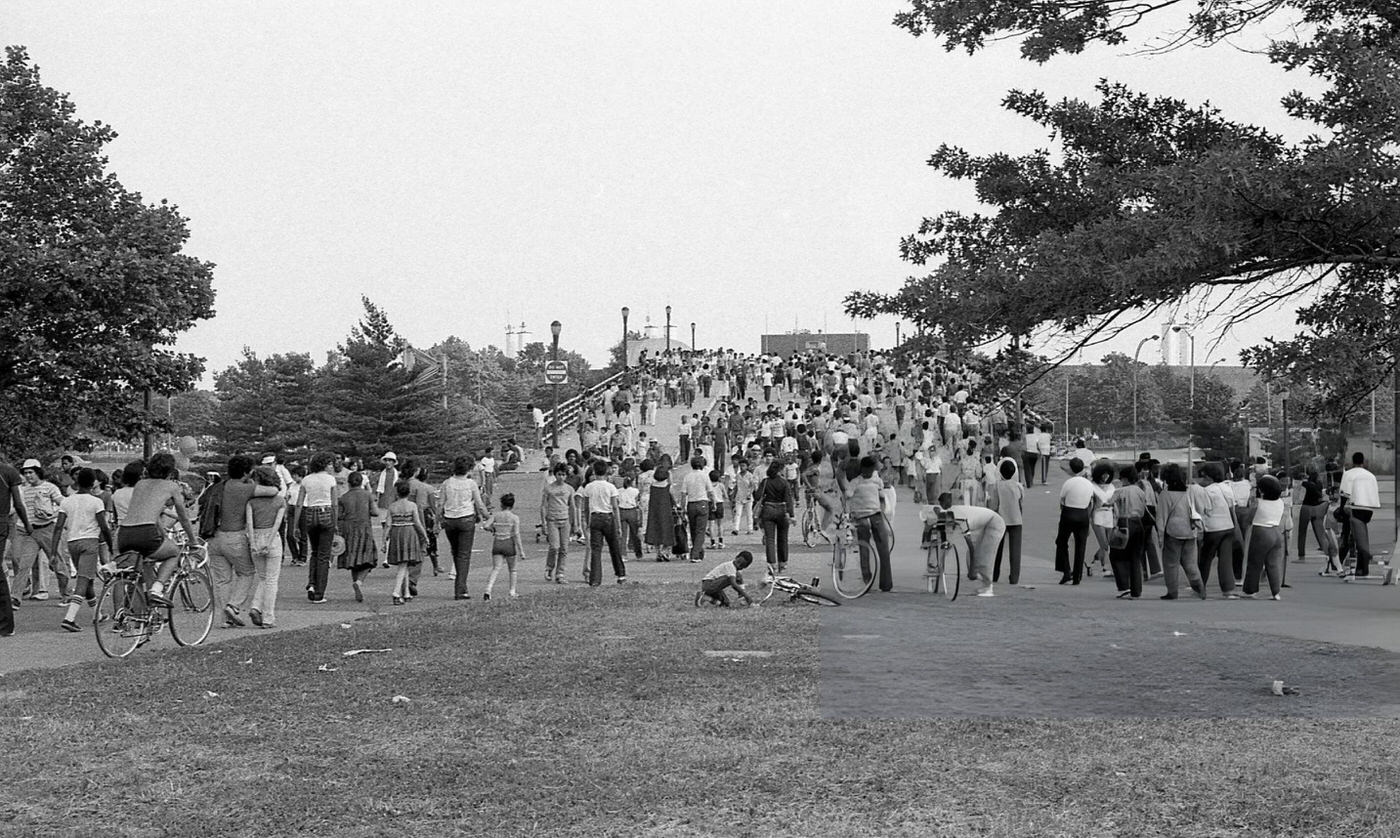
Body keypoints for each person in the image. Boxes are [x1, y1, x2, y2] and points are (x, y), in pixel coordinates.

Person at [117, 452, 198, 605]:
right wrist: (193, 541)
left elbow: (151, 513)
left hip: (124, 533)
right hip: (146, 533)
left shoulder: (140, 484)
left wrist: (164, 535)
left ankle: (145, 613)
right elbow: (183, 518)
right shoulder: (172, 486)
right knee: (174, 552)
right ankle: (157, 588)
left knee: (147, 560)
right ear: (170, 471)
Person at [52, 468, 112, 633]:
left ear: (77, 482)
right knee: (83, 580)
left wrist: (52, 551)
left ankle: (97, 614)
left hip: (73, 543)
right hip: (90, 543)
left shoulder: (67, 501)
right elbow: (103, 527)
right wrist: (110, 544)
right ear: (93, 483)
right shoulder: (96, 502)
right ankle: (69, 618)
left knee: (88, 580)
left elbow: (58, 527)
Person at [439, 456, 490, 598]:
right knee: (464, 555)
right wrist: (489, 518)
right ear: (468, 469)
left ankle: (460, 584)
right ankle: (460, 589)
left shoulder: (447, 483)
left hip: (450, 520)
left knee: (455, 552)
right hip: (466, 519)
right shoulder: (471, 484)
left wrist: (439, 519)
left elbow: (440, 504)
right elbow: (479, 505)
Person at [936, 492, 1005, 597]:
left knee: (985, 555)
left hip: (995, 523)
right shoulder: (951, 512)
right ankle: (980, 578)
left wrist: (972, 570)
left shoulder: (958, 516)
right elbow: (945, 531)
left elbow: (970, 545)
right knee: (973, 555)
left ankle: (988, 588)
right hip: (987, 523)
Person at [14, 460, 65, 601]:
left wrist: (53, 515)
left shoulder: (50, 487)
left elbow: (64, 504)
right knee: (24, 564)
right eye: (26, 473)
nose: (28, 476)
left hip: (48, 528)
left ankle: (66, 594)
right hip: (32, 531)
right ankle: (15, 596)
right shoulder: (24, 490)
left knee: (57, 563)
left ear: (38, 472)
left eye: (31, 472)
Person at [294, 452, 340, 605]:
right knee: (323, 555)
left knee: (314, 552)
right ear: (323, 464)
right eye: (329, 463)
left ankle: (312, 584)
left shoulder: (306, 479)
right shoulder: (330, 479)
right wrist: (335, 522)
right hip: (326, 513)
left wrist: (295, 525)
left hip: (310, 514)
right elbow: (334, 503)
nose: (332, 466)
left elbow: (299, 503)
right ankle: (319, 593)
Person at [1156, 463, 1207, 600]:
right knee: (1191, 564)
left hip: (1173, 532)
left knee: (1171, 564)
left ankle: (1172, 592)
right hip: (1190, 532)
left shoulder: (1165, 495)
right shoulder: (1188, 492)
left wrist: (1160, 537)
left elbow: (1161, 518)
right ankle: (1200, 589)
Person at [245, 465, 286, 628]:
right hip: (272, 538)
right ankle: (268, 616)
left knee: (262, 577)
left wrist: (253, 543)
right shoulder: (280, 501)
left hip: (255, 537)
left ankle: (256, 606)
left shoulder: (251, 501)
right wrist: (268, 542)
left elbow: (249, 523)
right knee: (271, 580)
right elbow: (278, 523)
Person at [846, 456, 894, 593]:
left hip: (873, 515)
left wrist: (883, 510)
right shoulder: (859, 481)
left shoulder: (872, 480)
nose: (870, 471)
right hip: (864, 517)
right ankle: (870, 580)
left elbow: (882, 498)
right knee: (868, 547)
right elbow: (848, 495)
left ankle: (882, 583)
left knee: (879, 549)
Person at [1197, 462, 1242, 598]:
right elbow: (1232, 508)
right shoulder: (1226, 488)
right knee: (1225, 559)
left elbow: (1202, 511)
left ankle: (1200, 587)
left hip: (1212, 528)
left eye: (1203, 478)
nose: (1201, 481)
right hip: (1228, 526)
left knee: (1205, 559)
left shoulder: (1206, 491)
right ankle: (1228, 589)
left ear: (1209, 477)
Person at [579, 460, 627, 586]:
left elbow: (586, 507)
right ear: (606, 471)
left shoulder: (589, 487)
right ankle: (620, 573)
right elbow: (615, 507)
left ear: (594, 471)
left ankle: (595, 579)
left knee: (596, 549)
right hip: (608, 517)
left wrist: (588, 522)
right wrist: (618, 525)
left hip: (595, 517)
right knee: (614, 546)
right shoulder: (610, 487)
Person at [1242, 473, 1287, 600]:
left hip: (1261, 532)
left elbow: (1249, 519)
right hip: (1276, 532)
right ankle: (1275, 592)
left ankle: (1250, 590)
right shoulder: (1280, 502)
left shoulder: (1258, 503)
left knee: (1255, 562)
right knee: (1273, 564)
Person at [1107, 464, 1149, 599]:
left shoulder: (1120, 491)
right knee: (1135, 558)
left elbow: (1108, 503)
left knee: (1116, 554)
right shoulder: (1141, 491)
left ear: (1124, 479)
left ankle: (1124, 585)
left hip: (1124, 522)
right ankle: (1136, 591)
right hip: (1139, 523)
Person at [336, 470, 378, 602]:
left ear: (349, 483)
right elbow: (375, 512)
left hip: (348, 529)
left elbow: (339, 516)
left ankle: (356, 585)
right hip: (363, 528)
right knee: (370, 558)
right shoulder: (367, 495)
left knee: (353, 560)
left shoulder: (343, 497)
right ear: (361, 482)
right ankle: (359, 582)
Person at [1337, 451, 1381, 578]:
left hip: (1354, 507)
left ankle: (1345, 563)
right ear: (1363, 461)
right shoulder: (1370, 475)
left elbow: (1344, 493)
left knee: (1351, 536)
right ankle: (1360, 566)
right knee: (1361, 534)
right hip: (1368, 509)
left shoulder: (1349, 474)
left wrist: (1341, 510)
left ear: (1352, 461)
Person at [0, 459, 31, 636]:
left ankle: (6, 624)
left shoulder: (8, 472)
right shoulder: (9, 471)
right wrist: (27, 524)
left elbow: (19, 504)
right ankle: (6, 624)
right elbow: (18, 503)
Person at [385, 482, 427, 606]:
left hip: (396, 533)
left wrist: (384, 540)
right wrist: (424, 536)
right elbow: (417, 523)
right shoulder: (412, 505)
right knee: (404, 564)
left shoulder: (392, 507)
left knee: (405, 563)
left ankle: (407, 593)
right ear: (408, 492)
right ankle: (396, 592)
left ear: (397, 492)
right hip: (410, 533)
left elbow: (388, 525)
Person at [1054, 457, 1094, 585]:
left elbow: (1062, 500)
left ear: (1071, 469)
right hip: (1083, 514)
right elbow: (1091, 502)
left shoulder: (1068, 483)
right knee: (1080, 545)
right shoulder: (1089, 484)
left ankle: (1066, 571)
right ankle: (1077, 576)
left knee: (1061, 541)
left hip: (1069, 512)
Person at [754, 460, 796, 574]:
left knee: (770, 539)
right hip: (782, 511)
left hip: (768, 510)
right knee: (783, 539)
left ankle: (772, 565)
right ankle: (783, 564)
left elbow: (757, 496)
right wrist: (791, 515)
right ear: (780, 469)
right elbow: (788, 500)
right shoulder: (784, 483)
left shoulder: (765, 481)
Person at [482, 492, 525, 600]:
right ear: (512, 505)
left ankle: (488, 589)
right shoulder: (514, 517)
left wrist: (493, 529)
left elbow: (486, 525)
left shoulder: (496, 515)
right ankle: (512, 591)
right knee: (513, 569)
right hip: (509, 543)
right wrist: (521, 551)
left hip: (497, 542)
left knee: (496, 568)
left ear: (501, 504)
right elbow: (516, 534)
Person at [989, 459, 1023, 585]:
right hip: (1016, 520)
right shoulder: (1018, 486)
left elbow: (994, 504)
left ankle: (994, 574)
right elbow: (1020, 503)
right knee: (1015, 551)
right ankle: (1014, 578)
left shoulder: (997, 485)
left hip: (1001, 519)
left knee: (996, 549)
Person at [541, 464, 574, 584]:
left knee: (564, 548)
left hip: (565, 520)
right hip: (552, 520)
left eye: (563, 475)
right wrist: (543, 523)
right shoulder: (549, 488)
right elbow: (543, 506)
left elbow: (572, 506)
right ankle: (549, 567)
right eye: (559, 474)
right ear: (555, 475)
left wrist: (575, 523)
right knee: (555, 546)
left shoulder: (569, 489)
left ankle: (560, 573)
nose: (561, 477)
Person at [679, 455, 712, 564]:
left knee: (693, 530)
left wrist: (683, 508)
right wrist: (714, 503)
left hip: (691, 504)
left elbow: (683, 494)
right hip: (702, 502)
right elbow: (710, 491)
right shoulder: (705, 475)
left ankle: (699, 552)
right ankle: (695, 553)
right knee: (701, 531)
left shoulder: (687, 476)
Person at [644, 462, 676, 560]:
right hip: (666, 511)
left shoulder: (652, 486)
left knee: (655, 530)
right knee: (667, 530)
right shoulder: (667, 486)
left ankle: (658, 552)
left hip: (654, 511)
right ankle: (665, 551)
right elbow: (673, 498)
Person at [617, 476, 643, 561]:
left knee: (623, 535)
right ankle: (638, 553)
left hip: (622, 511)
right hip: (632, 511)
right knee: (635, 533)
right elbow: (637, 501)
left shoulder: (619, 491)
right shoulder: (635, 491)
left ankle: (623, 554)